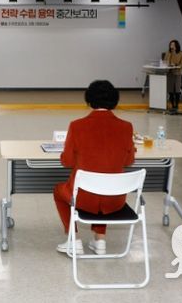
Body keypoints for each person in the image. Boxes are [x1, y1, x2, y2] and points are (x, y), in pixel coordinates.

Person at [53, 80, 136, 255]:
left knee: (59, 191)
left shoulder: (77, 126)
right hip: (115, 200)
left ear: (89, 100)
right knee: (105, 182)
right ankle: (100, 241)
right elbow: (128, 161)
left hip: (83, 199)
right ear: (114, 101)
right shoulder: (126, 127)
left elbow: (67, 162)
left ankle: (74, 240)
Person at [163, 40, 182, 111]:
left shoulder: (181, 54)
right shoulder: (168, 53)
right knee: (170, 91)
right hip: (170, 74)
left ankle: (176, 106)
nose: (171, 46)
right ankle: (172, 105)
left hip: (177, 74)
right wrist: (170, 54)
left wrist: (176, 65)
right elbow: (165, 62)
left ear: (176, 45)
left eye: (173, 45)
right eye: (171, 45)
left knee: (177, 91)